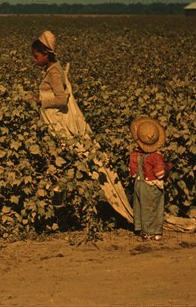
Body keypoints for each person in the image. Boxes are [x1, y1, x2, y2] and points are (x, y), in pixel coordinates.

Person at [30, 31, 134, 223]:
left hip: (60, 127)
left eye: (36, 57)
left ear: (46, 54)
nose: (34, 60)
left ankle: (59, 209)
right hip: (57, 125)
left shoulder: (53, 72)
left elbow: (61, 99)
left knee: (61, 165)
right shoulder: (54, 69)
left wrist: (39, 100)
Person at [129, 117, 172, 241]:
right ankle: (153, 232)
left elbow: (132, 173)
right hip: (151, 185)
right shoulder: (156, 157)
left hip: (138, 183)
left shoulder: (135, 154)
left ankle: (141, 229)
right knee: (153, 208)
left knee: (141, 207)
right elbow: (159, 174)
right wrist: (168, 168)